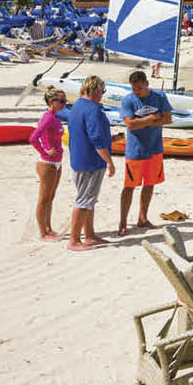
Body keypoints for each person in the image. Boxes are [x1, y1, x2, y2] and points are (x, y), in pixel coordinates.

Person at [63, 75, 114, 250]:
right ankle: (74, 240)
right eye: (102, 91)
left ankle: (89, 235)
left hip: (79, 159)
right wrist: (110, 162)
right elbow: (97, 139)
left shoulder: (77, 105)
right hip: (90, 161)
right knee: (84, 200)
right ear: (95, 90)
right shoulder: (93, 109)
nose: (102, 95)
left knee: (88, 199)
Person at [118, 69, 172, 234]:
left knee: (149, 184)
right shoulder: (128, 100)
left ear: (147, 84)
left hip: (155, 148)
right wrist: (152, 118)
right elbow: (130, 125)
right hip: (135, 151)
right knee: (129, 187)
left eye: (139, 88)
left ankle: (143, 218)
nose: (136, 92)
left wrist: (140, 121)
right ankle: (123, 222)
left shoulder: (160, 97)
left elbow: (168, 119)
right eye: (134, 89)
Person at [29, 86, 67, 241]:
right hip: (47, 163)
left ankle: (48, 228)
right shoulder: (48, 117)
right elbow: (33, 138)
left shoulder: (55, 117)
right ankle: (42, 232)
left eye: (65, 100)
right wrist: (45, 151)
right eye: (62, 100)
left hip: (56, 163)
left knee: (50, 198)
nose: (64, 103)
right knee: (43, 199)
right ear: (52, 102)